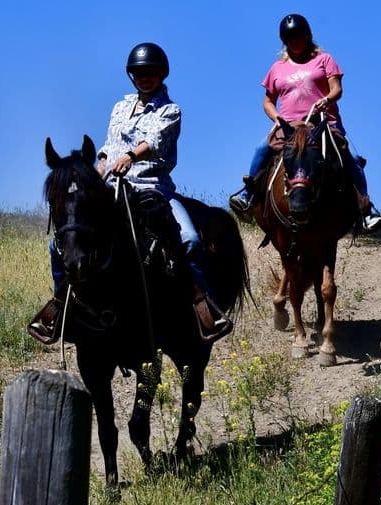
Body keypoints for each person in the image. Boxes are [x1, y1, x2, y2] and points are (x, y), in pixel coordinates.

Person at [29, 43, 232, 345]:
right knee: (60, 243)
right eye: (138, 73)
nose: (144, 78)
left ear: (162, 75)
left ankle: (203, 303)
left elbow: (155, 142)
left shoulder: (170, 110)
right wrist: (99, 168)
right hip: (111, 188)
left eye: (150, 73)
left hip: (153, 189)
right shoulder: (120, 108)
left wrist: (130, 156)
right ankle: (60, 304)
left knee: (189, 238)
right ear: (131, 76)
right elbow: (108, 146)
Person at [229, 14, 381, 231]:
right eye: (289, 37)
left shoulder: (324, 60)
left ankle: (366, 209)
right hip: (289, 126)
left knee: (353, 158)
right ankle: (248, 196)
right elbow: (267, 102)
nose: (294, 41)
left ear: (307, 35)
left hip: (322, 124)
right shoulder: (277, 68)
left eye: (298, 36)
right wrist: (277, 118)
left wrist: (327, 100)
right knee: (261, 149)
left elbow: (337, 89)